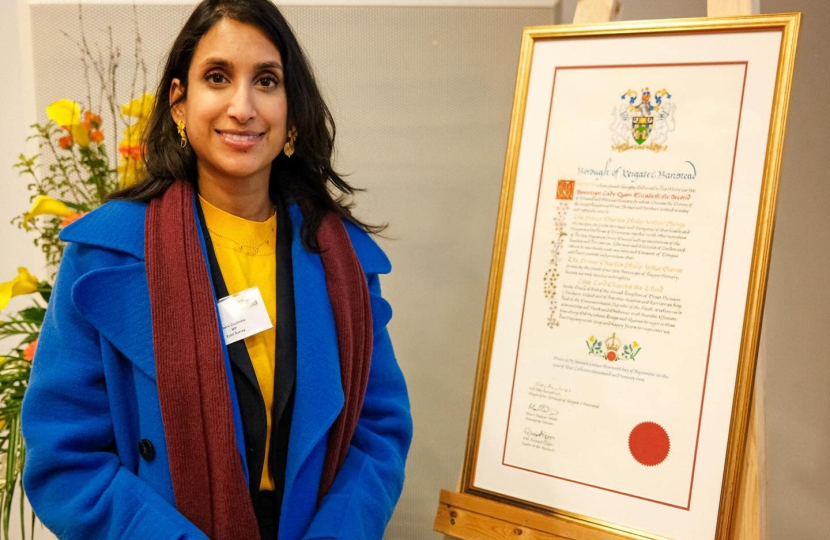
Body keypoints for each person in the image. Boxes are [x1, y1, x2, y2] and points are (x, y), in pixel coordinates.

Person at [20, 1, 412, 539]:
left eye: (267, 81)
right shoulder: (107, 253)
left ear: (291, 110)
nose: (242, 106)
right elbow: (65, 457)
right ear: (180, 103)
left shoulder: (344, 263)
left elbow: (377, 433)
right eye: (218, 77)